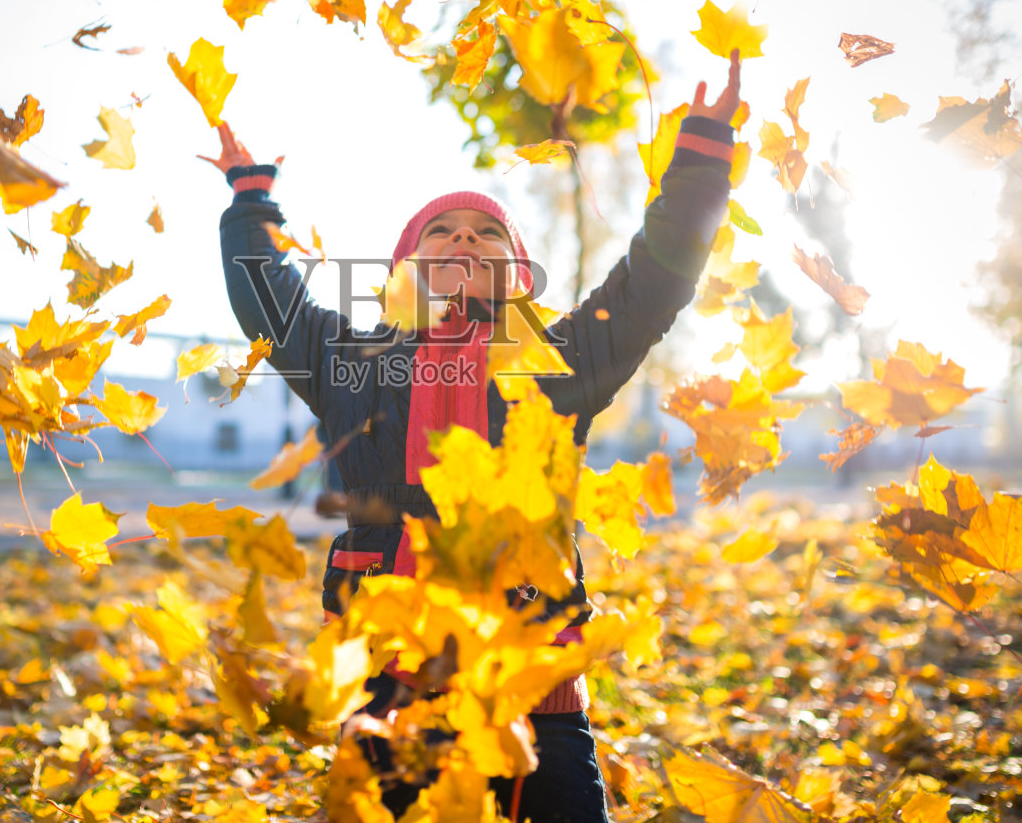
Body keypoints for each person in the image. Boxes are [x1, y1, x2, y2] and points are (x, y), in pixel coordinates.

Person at [204, 51, 742, 822]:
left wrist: (697, 164)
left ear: (517, 275)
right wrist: (251, 198)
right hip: (390, 670)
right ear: (401, 270)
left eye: (487, 235)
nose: (464, 242)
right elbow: (270, 302)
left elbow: (651, 282)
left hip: (535, 682)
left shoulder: (558, 362)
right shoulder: (351, 362)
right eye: (442, 233)